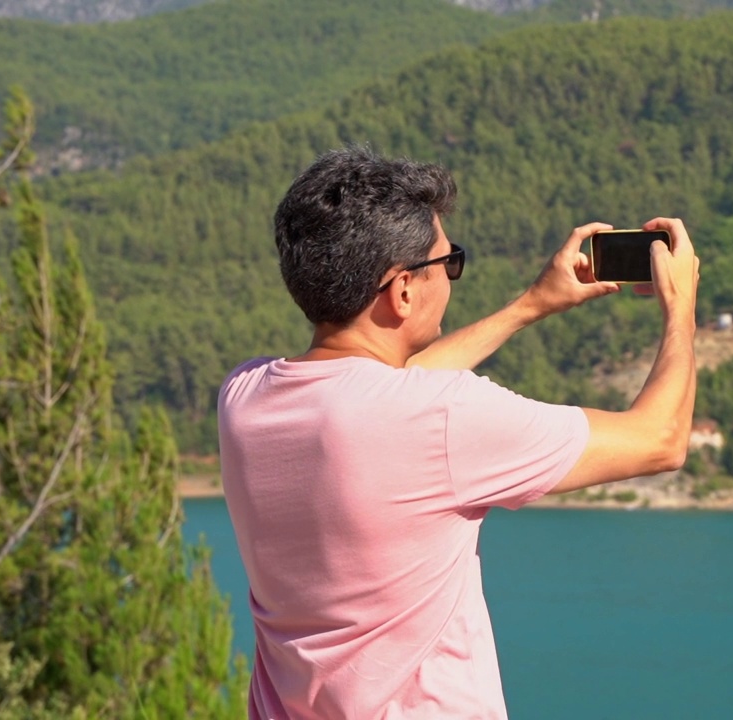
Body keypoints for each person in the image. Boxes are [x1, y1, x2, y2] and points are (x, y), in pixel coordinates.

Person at [218, 147, 698, 719]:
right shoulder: (442, 417)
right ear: (402, 290)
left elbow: (380, 390)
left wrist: (529, 306)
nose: (452, 277)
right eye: (449, 264)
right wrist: (681, 306)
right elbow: (660, 439)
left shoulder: (245, 398)